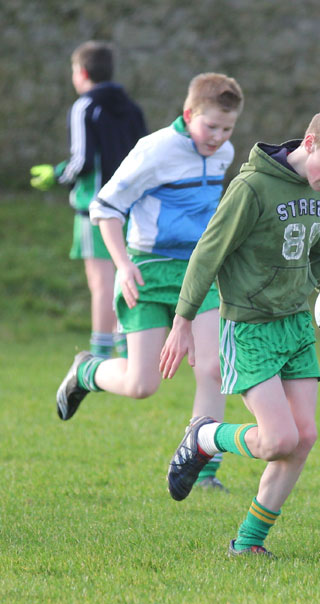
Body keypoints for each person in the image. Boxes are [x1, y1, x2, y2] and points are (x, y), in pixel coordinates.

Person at [160, 107, 320, 556]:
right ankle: (203, 436)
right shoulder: (252, 187)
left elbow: (319, 259)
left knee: (304, 437)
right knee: (278, 441)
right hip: (249, 327)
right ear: (308, 143)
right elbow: (207, 254)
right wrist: (182, 322)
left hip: (294, 325)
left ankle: (248, 545)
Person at [56, 72, 245, 490]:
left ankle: (204, 469)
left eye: (227, 128)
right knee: (143, 385)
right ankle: (86, 371)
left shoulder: (224, 152)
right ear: (188, 114)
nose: (218, 137)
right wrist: (122, 265)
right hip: (146, 269)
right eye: (210, 126)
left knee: (212, 367)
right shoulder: (155, 150)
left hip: (197, 271)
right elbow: (104, 208)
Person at [30, 40, 148, 359]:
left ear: (81, 72)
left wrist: (55, 175)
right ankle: (127, 346)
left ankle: (99, 354)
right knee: (123, 275)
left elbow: (80, 162)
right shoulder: (132, 108)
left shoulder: (85, 106)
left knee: (101, 281)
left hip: (94, 209)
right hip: (130, 207)